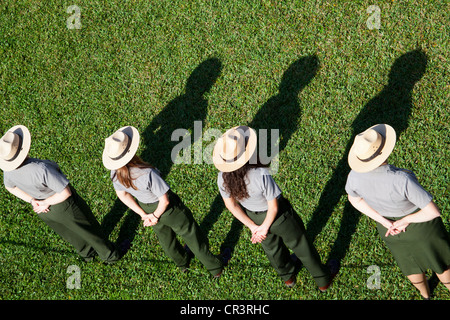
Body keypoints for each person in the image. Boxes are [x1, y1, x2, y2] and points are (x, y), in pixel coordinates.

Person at [213, 125, 337, 291]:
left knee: (273, 250)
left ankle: (288, 278)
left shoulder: (222, 178)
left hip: (254, 217)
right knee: (301, 245)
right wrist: (264, 227)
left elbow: (231, 205)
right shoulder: (260, 173)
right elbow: (273, 206)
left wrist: (254, 227)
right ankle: (323, 280)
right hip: (280, 218)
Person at [345, 123, 450, 299]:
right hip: (421, 228)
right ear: (382, 151)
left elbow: (353, 199)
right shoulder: (401, 179)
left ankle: (425, 295)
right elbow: (433, 212)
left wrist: (385, 222)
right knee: (442, 262)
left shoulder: (354, 176)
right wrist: (404, 221)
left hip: (389, 230)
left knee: (409, 263)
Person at [103, 126, 223, 277]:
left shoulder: (115, 174)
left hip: (146, 208)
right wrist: (155, 215)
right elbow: (164, 200)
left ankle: (182, 263)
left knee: (166, 239)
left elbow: (123, 196)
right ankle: (214, 267)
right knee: (191, 234)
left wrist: (144, 215)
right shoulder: (147, 173)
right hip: (168, 210)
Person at [1, 125, 121, 264]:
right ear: (22, 148)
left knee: (69, 233)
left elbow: (10, 187)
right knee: (89, 228)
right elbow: (65, 192)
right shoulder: (40, 169)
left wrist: (32, 200)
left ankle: (87, 254)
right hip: (63, 206)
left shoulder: (8, 171)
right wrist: (47, 202)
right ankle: (110, 255)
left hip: (43, 211)